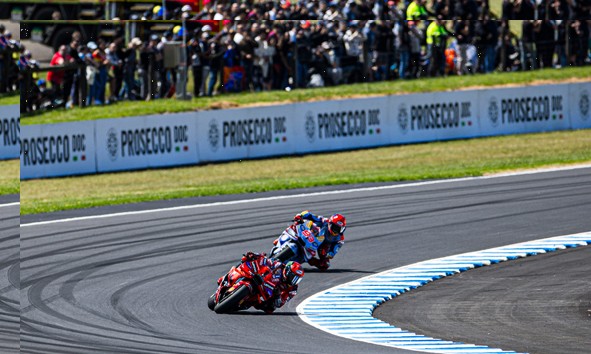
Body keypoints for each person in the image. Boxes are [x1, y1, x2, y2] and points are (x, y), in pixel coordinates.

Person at [226, 252, 304, 313]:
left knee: (270, 309)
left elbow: (280, 303)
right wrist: (256, 256)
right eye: (293, 277)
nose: (294, 280)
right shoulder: (279, 265)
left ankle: (247, 301)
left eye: (297, 279)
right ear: (287, 271)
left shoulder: (293, 289)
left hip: (267, 294)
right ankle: (230, 276)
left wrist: (277, 296)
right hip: (262, 279)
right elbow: (266, 261)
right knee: (246, 260)